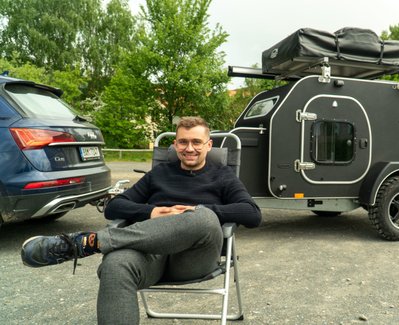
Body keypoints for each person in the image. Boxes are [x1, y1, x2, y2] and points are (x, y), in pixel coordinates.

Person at [21, 116, 261, 324]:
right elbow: (114, 207)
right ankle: (90, 243)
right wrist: (152, 213)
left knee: (203, 217)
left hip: (193, 258)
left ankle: (89, 242)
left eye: (196, 142)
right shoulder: (159, 174)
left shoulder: (223, 176)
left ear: (209, 145)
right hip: (150, 254)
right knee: (116, 263)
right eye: (183, 142)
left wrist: (196, 210)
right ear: (175, 144)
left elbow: (252, 214)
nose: (190, 148)